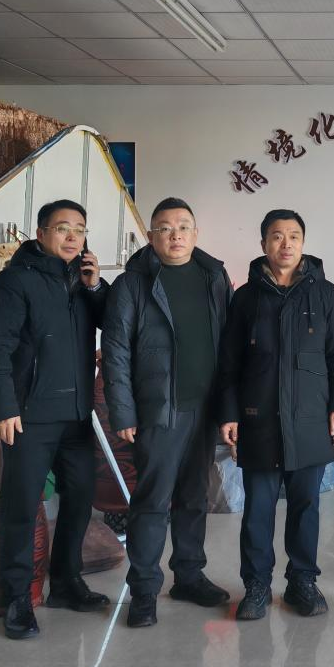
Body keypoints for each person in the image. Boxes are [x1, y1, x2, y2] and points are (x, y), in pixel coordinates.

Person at [0, 199, 110, 640]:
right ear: (40, 233)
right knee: (21, 506)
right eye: (62, 228)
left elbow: (113, 322)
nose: (72, 237)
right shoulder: (14, 282)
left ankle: (66, 582)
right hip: (29, 417)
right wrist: (2, 408)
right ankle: (16, 597)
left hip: (76, 416)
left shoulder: (81, 282)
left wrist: (96, 286)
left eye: (80, 229)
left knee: (81, 498)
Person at [102, 197, 234, 628]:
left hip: (205, 408)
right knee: (152, 501)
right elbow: (116, 351)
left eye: (183, 227)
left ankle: (189, 576)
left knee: (195, 496)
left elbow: (229, 345)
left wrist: (230, 407)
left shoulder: (214, 276)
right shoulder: (132, 284)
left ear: (195, 233)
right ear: (151, 235)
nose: (175, 235)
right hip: (158, 410)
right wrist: (123, 413)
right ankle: (143, 590)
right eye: (165, 227)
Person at [218, 209, 334, 620]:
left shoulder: (326, 294)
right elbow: (229, 363)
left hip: (311, 417)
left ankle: (302, 582)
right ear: (263, 244)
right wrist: (229, 413)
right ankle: (257, 586)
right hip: (258, 418)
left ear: (303, 243)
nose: (286, 243)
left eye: (294, 235)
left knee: (306, 506)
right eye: (277, 236)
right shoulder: (246, 298)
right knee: (258, 508)